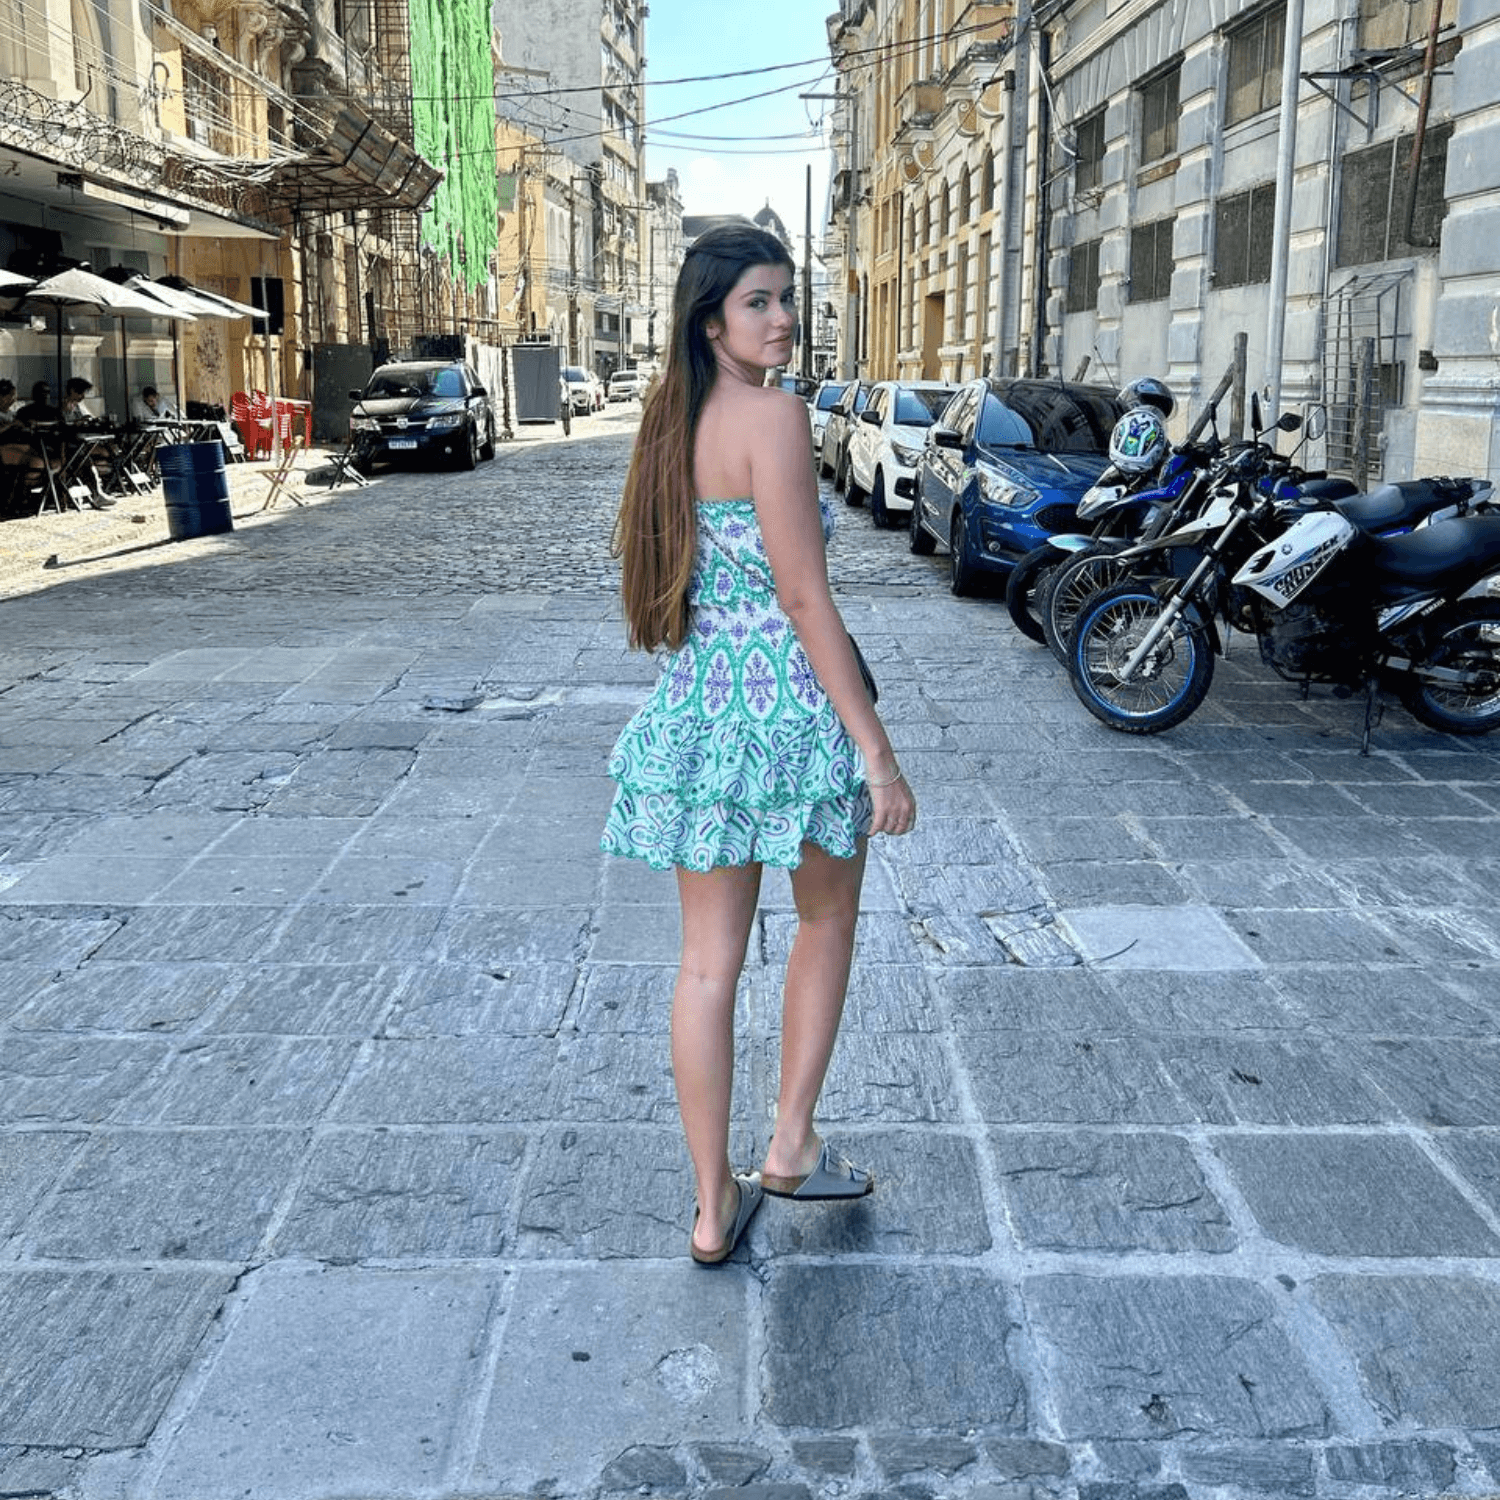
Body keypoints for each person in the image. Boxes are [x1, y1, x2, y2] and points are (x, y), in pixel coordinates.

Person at [601, 224, 917, 1265]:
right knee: (825, 921)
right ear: (711, 320)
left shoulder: (669, 421)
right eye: (760, 302)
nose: (783, 320)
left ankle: (710, 1207)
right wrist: (877, 753)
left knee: (705, 967)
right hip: (789, 715)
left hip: (701, 711)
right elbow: (803, 597)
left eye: (787, 299)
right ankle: (789, 1146)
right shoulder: (775, 416)